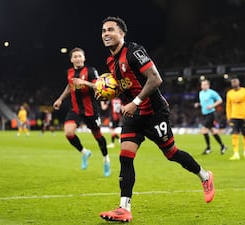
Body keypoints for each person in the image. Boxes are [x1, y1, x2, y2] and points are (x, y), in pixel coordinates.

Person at [74, 16, 215, 222]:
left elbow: (155, 79)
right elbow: (125, 85)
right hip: (134, 116)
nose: (105, 33)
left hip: (154, 112)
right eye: (103, 30)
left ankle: (205, 176)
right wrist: (107, 92)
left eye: (110, 30)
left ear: (122, 33)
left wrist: (136, 102)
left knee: (171, 153)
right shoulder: (110, 61)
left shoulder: (134, 51)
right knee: (125, 156)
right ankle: (124, 208)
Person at [52, 47, 111, 177]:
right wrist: (60, 99)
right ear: (71, 59)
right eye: (75, 57)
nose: (78, 58)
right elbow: (69, 86)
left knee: (98, 137)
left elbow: (98, 86)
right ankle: (84, 152)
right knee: (68, 133)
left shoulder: (91, 70)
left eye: (80, 56)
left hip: (91, 110)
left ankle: (106, 159)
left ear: (84, 58)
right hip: (76, 109)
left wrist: (83, 82)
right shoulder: (69, 72)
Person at [194, 79, 227, 155]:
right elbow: (203, 103)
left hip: (211, 113)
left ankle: (208, 148)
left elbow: (220, 100)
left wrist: (212, 105)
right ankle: (223, 146)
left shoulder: (212, 92)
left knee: (204, 130)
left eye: (205, 84)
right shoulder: (201, 93)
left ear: (208, 85)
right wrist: (198, 104)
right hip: (204, 114)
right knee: (212, 131)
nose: (203, 86)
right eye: (202, 85)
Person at [226, 77, 245, 160]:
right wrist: (228, 117)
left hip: (244, 117)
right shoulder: (229, 93)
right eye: (232, 82)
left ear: (238, 82)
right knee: (235, 134)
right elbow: (228, 106)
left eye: (235, 82)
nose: (234, 83)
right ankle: (236, 153)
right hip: (234, 116)